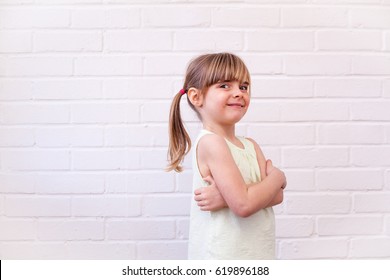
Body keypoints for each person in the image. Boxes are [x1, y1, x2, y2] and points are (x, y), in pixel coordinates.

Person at [167, 53, 286, 259]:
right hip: (224, 257)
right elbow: (245, 205)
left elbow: (277, 196)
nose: (239, 93)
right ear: (196, 97)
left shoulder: (250, 146)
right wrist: (278, 178)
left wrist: (226, 199)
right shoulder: (211, 143)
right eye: (224, 86)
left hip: (256, 253)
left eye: (244, 86)